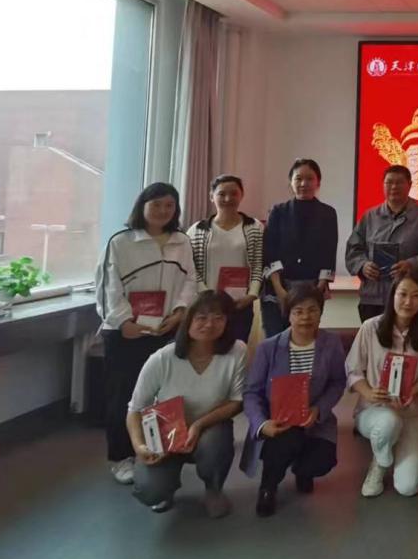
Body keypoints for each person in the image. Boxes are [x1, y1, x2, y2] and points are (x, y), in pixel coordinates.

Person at [95, 182, 198, 485]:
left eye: (169, 205)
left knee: (162, 394)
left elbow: (190, 281)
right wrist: (123, 322)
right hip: (126, 333)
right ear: (142, 206)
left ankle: (159, 449)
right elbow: (107, 287)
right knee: (124, 395)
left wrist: (180, 312)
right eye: (156, 204)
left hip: (165, 329)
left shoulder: (181, 241)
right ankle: (121, 457)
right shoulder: (121, 242)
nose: (163, 211)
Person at [126, 292, 245, 518]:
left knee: (216, 444)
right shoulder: (162, 358)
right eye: (201, 317)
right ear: (188, 320)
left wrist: (198, 425)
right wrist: (139, 446)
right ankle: (167, 488)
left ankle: (213, 490)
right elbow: (135, 409)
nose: (209, 324)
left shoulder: (237, 351)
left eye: (218, 317)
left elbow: (237, 401)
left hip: (210, 428)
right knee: (150, 491)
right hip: (166, 433)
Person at [242, 285, 348, 517]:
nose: (305, 317)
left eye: (312, 310)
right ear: (288, 315)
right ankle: (268, 487)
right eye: (298, 311)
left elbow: (338, 382)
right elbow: (251, 392)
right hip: (278, 421)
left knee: (323, 460)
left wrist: (318, 409)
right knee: (284, 443)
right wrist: (262, 424)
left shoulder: (331, 343)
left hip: (315, 420)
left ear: (321, 313)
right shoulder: (268, 348)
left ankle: (303, 470)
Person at [347, 276, 418, 498]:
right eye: (403, 294)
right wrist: (369, 392)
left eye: (416, 296)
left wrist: (413, 391)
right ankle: (379, 463)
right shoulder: (370, 328)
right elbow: (353, 371)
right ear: (392, 296)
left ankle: (395, 447)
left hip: (412, 413)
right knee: (388, 423)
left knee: (409, 487)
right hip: (375, 410)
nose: (408, 302)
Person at [346, 164, 418, 323]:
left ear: (410, 185)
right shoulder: (369, 217)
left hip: (409, 298)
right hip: (373, 297)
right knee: (374, 337)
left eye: (399, 182)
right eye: (389, 182)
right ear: (383, 185)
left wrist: (411, 264)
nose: (394, 187)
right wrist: (363, 265)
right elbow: (353, 250)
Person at [263, 159, 338, 338]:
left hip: (312, 288)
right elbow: (269, 251)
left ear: (318, 182)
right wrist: (280, 290)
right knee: (276, 339)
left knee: (305, 338)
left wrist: (318, 290)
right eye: (298, 179)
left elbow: (329, 252)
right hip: (278, 288)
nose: (304, 183)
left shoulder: (328, 213)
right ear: (291, 182)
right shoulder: (278, 211)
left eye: (309, 178)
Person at [187, 174, 264, 342]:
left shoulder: (254, 227)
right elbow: (191, 268)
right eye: (222, 194)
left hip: (241, 304)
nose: (228, 199)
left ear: (241, 195)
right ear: (211, 196)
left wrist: (252, 294)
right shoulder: (197, 230)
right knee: (206, 349)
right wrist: (206, 294)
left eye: (234, 193)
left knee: (236, 350)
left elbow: (258, 264)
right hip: (206, 304)